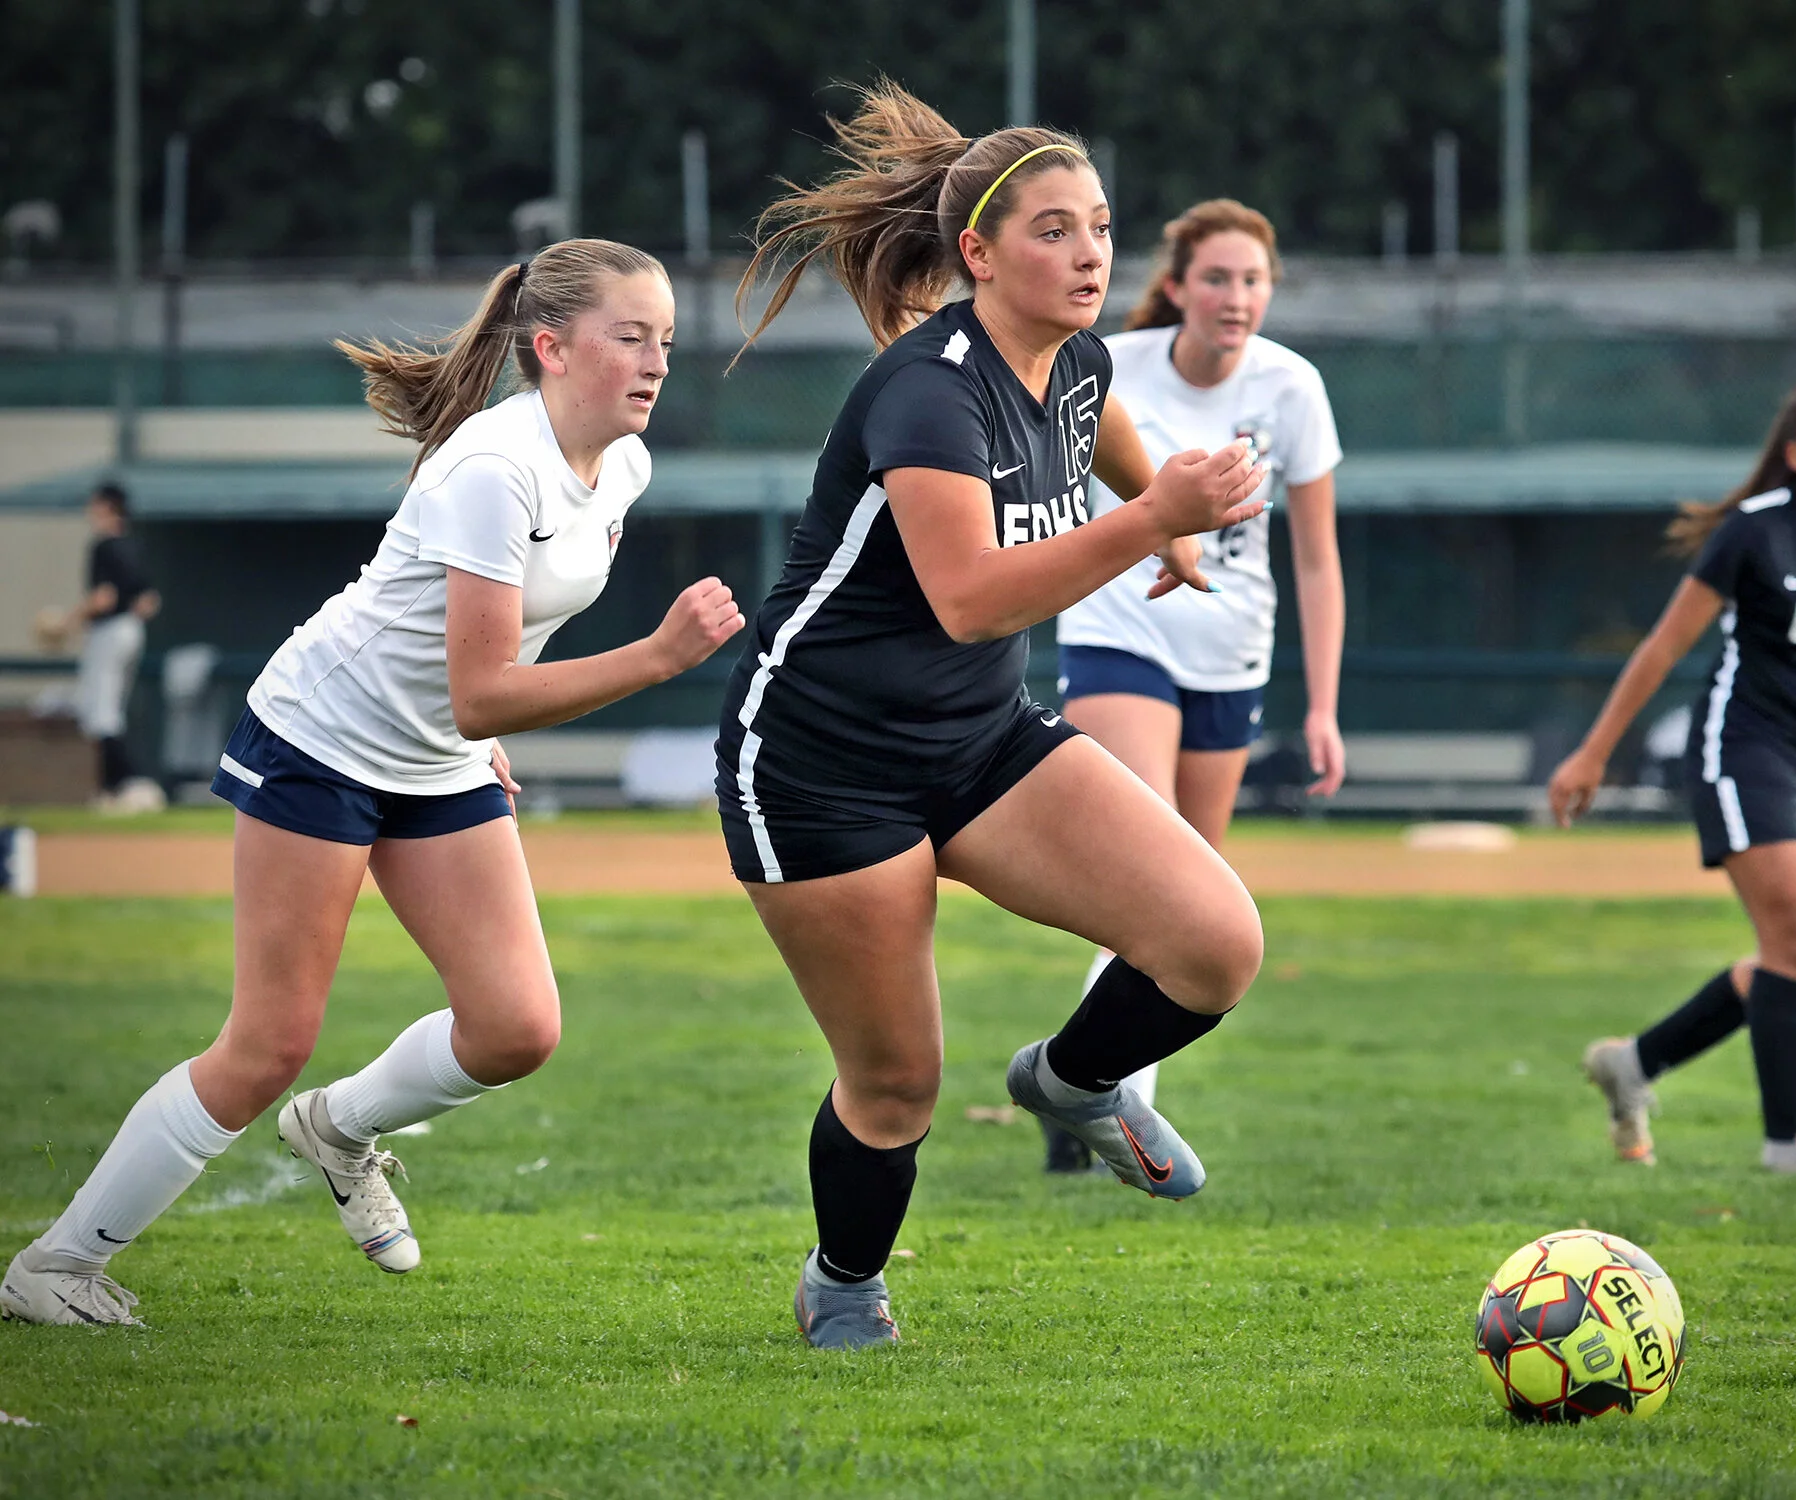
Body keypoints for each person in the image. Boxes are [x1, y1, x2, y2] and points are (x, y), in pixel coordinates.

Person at [1, 239, 744, 1327]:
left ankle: (338, 1129)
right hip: (319, 741)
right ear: (551, 347)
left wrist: (479, 725)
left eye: (666, 341)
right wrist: (656, 659)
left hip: (437, 754)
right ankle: (54, 1267)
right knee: (266, 1046)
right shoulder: (493, 467)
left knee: (516, 1028)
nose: (656, 362)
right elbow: (484, 684)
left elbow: (499, 657)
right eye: (630, 337)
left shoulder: (621, 467)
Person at [717, 84, 1268, 1350]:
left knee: (1215, 944)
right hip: (818, 766)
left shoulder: (1075, 357)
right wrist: (1151, 525)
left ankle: (1072, 1084)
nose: (1090, 257)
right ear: (977, 253)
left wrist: (1161, 526)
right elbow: (966, 599)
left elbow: (1105, 432)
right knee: (898, 1080)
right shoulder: (926, 393)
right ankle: (844, 1285)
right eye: (1054, 232)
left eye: (1102, 229)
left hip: (976, 742)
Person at [1547, 372, 1796, 1175]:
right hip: (1741, 750)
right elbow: (1663, 645)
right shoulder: (1756, 530)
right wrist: (1593, 752)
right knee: (1793, 942)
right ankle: (1785, 1143)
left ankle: (1636, 1062)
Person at [1043, 199, 1344, 1172]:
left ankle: (1071, 1079)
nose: (1237, 296)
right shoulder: (1109, 366)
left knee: (1187, 897)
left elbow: (1316, 562)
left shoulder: (1293, 388)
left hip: (1233, 658)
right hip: (1117, 634)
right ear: (1176, 286)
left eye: (1254, 280)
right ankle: (1106, 1119)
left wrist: (1323, 706)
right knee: (1140, 875)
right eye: (1217, 277)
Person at [62, 482, 164, 811]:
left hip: (108, 632)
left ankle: (121, 785)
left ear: (107, 507)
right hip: (132, 631)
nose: (90, 511)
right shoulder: (135, 545)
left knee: (100, 711)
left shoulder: (104, 546)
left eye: (94, 505)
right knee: (112, 710)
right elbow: (149, 602)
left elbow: (103, 598)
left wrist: (69, 620)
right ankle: (123, 785)